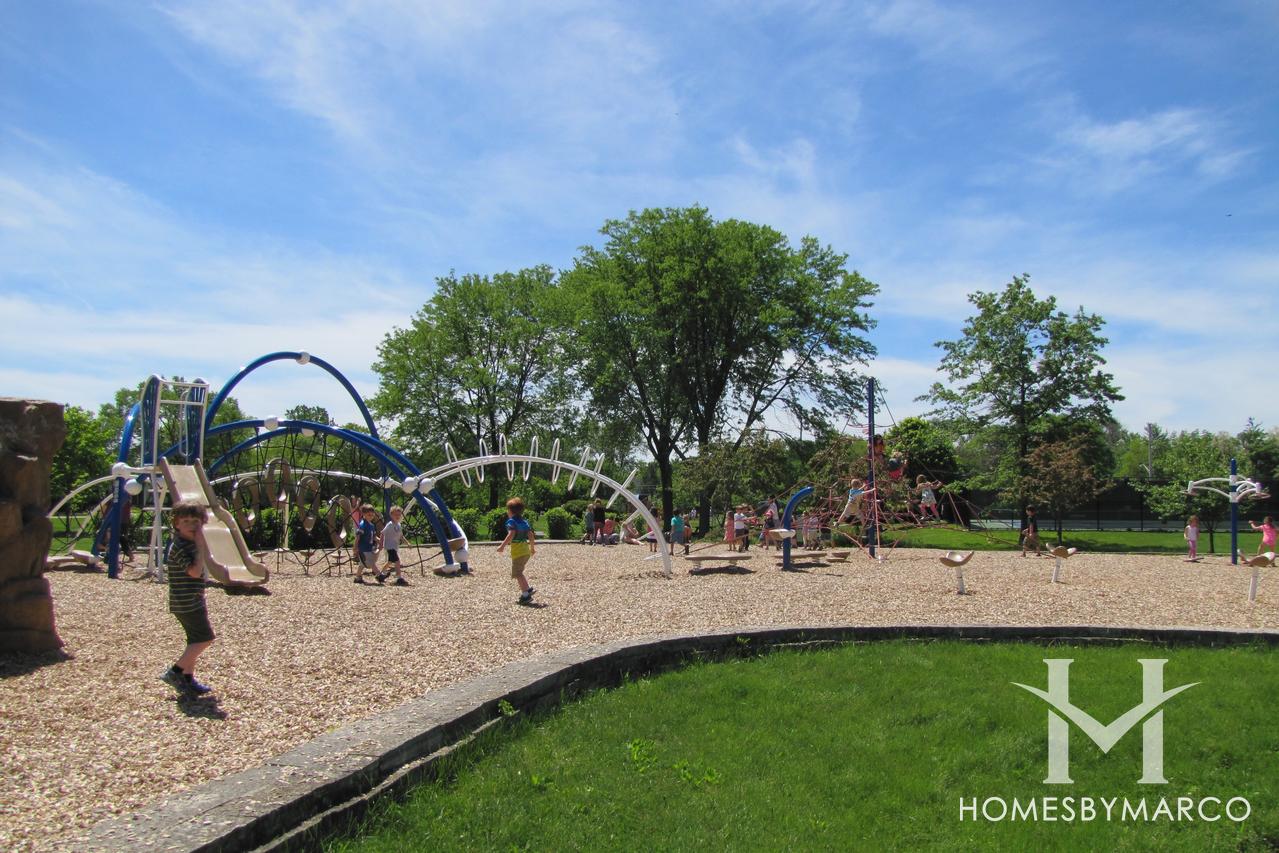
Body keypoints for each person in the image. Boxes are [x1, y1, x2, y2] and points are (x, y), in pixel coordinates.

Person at [160, 502, 215, 695]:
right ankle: (174, 672)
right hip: (186, 603)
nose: (191, 525)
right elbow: (195, 572)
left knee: (194, 641)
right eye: (186, 521)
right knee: (205, 639)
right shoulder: (180, 546)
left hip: (193, 599)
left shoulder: (189, 544)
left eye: (195, 521)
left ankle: (188, 679)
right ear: (177, 524)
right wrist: (200, 546)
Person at [496, 497, 536, 604]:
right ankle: (527, 589)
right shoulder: (524, 522)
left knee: (517, 573)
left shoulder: (512, 522)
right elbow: (531, 535)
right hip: (525, 551)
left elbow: (511, 534)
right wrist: (532, 548)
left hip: (518, 552)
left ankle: (525, 595)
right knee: (520, 572)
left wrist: (502, 546)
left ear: (510, 511)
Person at [377, 506, 410, 585]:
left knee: (390, 561)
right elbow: (382, 533)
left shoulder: (398, 525)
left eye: (399, 515)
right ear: (391, 515)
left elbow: (401, 536)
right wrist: (381, 544)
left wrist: (407, 543)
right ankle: (399, 577)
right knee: (397, 561)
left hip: (394, 547)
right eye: (396, 515)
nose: (398, 516)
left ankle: (380, 575)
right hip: (389, 546)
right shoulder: (390, 525)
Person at [353, 503, 380, 583]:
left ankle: (358, 577)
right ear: (363, 514)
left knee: (362, 564)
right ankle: (379, 575)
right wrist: (355, 547)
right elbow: (358, 536)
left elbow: (374, 536)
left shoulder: (372, 525)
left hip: (369, 547)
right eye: (369, 515)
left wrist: (379, 540)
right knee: (371, 562)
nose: (371, 516)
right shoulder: (362, 525)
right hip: (363, 548)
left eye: (372, 515)